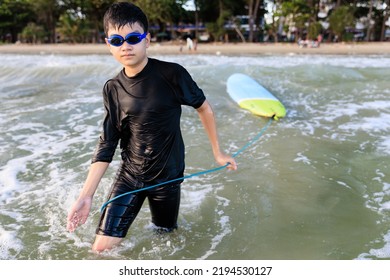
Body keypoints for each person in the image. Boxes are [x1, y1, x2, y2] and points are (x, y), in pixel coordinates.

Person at [66, 2, 237, 253]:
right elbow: (107, 144)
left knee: (165, 240)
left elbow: (204, 108)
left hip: (168, 177)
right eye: (117, 40)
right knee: (100, 250)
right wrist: (86, 196)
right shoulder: (112, 88)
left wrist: (218, 152)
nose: (125, 46)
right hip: (130, 176)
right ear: (108, 44)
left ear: (147, 40)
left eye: (133, 38)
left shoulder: (172, 74)